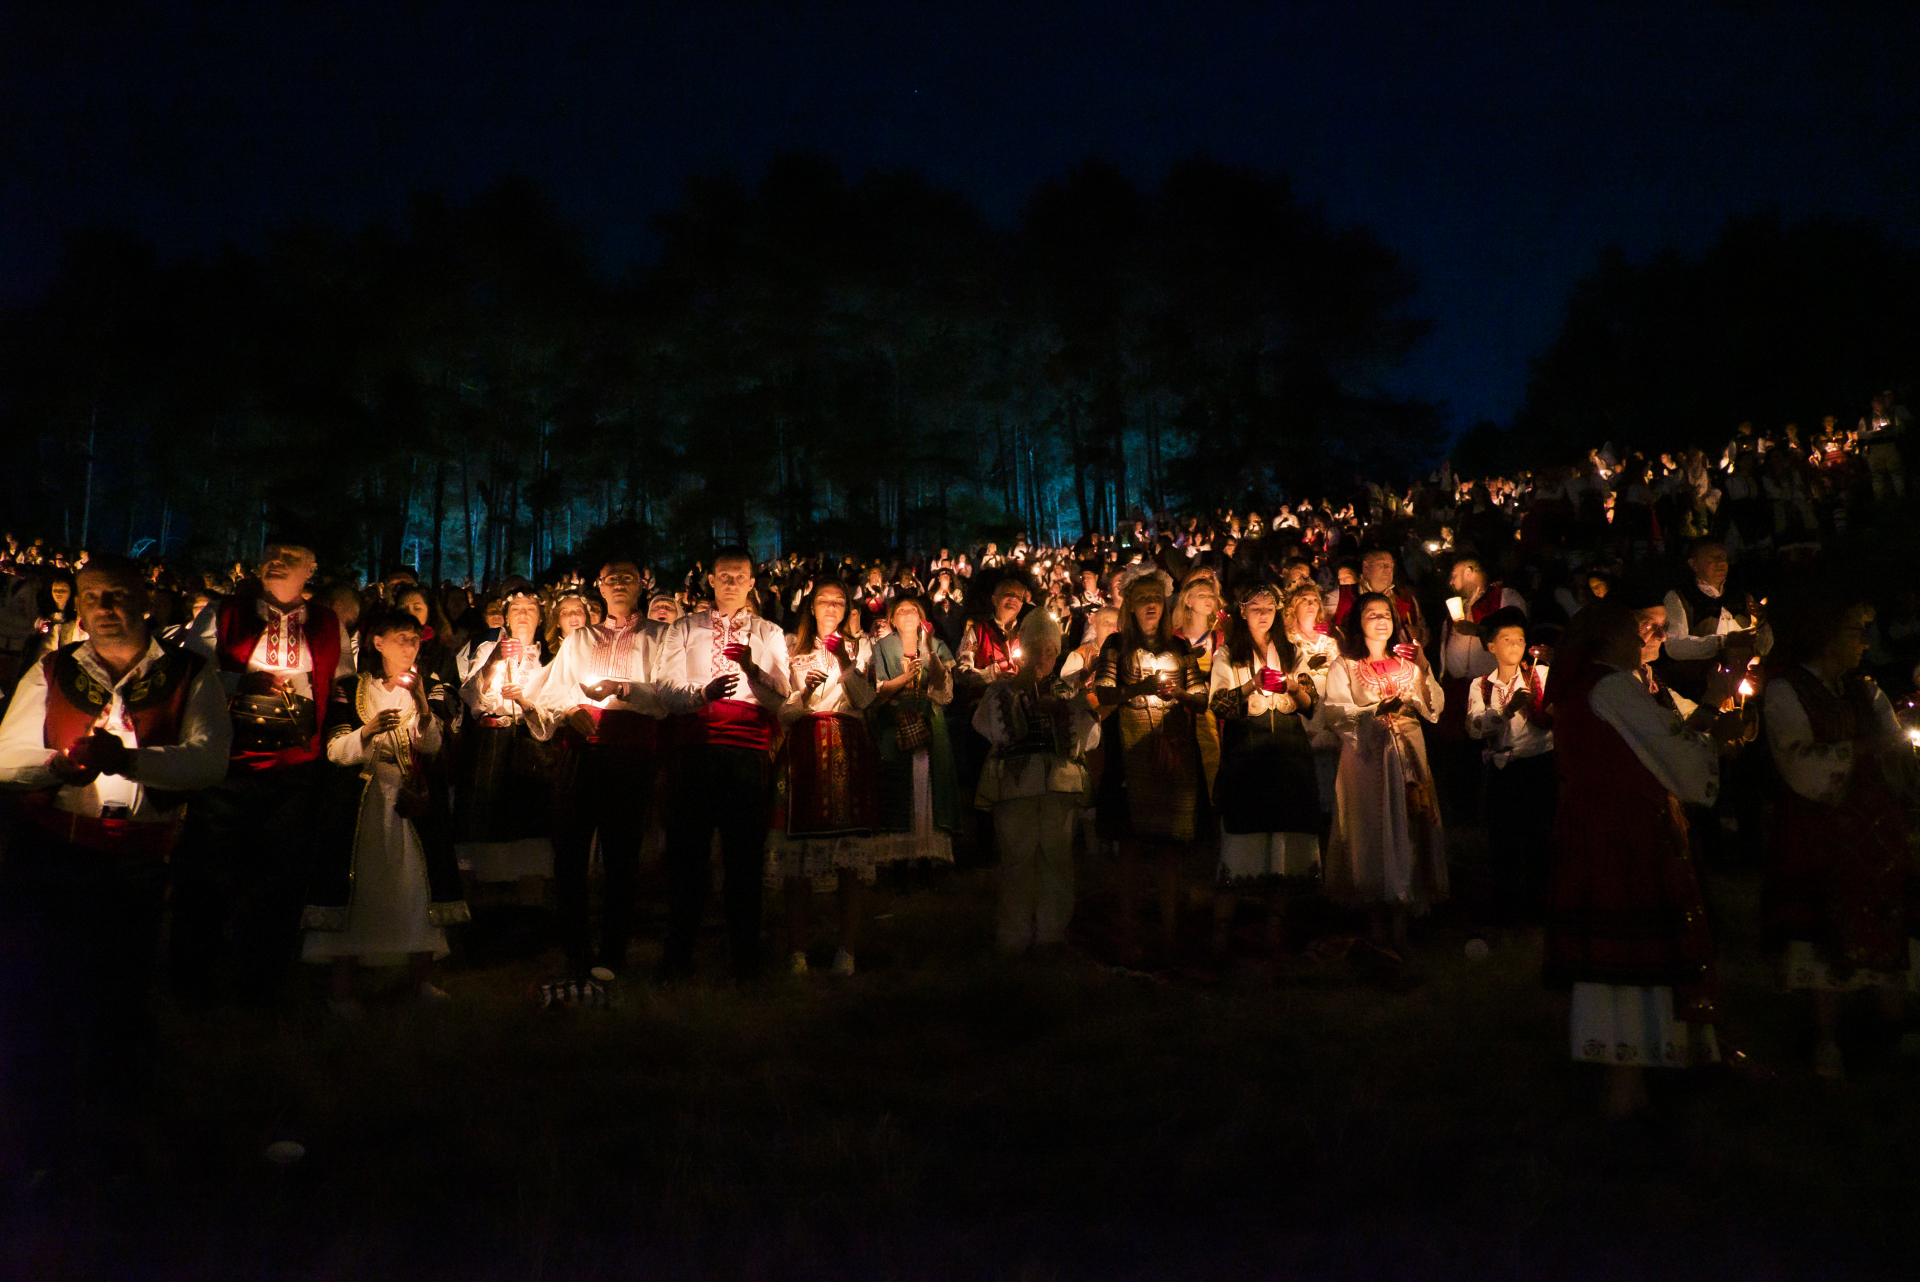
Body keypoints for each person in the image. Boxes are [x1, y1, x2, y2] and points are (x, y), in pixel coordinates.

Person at [0, 555, 229, 1176]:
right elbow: (6, 755)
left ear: (146, 601)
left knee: (122, 998)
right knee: (49, 992)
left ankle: (115, 1139)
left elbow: (208, 761)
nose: (102, 609)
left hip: (136, 863)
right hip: (56, 854)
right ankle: (42, 1135)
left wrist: (128, 763)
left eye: (116, 596)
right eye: (90, 596)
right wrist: (60, 767)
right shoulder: (55, 670)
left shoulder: (189, 674)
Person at [1542, 601, 1748, 1119]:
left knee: (1616, 950)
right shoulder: (1611, 685)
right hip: (1625, 826)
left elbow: (1655, 739)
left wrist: (1710, 713)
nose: (1642, 640)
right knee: (1632, 947)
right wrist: (1711, 733)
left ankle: (1632, 1072)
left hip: (1598, 822)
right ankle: (1627, 1083)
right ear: (1608, 638)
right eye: (1633, 631)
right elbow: (1668, 747)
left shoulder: (1592, 684)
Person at [175, 540, 353, 1002]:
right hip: (228, 766)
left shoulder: (329, 624)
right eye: (271, 555)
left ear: (311, 569)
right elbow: (189, 673)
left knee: (280, 878)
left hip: (297, 771)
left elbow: (340, 684)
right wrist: (239, 682)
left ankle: (263, 979)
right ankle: (193, 978)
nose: (277, 563)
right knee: (210, 872)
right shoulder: (223, 613)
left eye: (291, 559)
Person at [1762, 595, 1918, 1079]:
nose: (1864, 644)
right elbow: (1799, 762)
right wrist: (1862, 751)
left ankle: (1891, 1029)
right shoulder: (1786, 692)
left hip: (1873, 835)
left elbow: (1894, 748)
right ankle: (1824, 1039)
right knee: (1820, 934)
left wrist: (1903, 758)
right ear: (1827, 636)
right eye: (1856, 633)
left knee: (1884, 921)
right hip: (1818, 832)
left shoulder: (1863, 691)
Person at [303, 606, 469, 1014]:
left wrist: (423, 709)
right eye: (401, 639)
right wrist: (367, 731)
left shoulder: (426, 686)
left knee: (415, 886)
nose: (410, 647)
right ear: (378, 643)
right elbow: (336, 751)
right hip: (364, 804)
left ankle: (421, 979)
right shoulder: (351, 688)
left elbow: (430, 747)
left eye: (415, 640)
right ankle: (342, 989)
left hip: (411, 802)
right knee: (359, 886)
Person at [651, 547, 792, 980]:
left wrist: (751, 670)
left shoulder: (768, 633)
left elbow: (781, 694)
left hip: (747, 752)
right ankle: (679, 956)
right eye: (723, 575)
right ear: (710, 580)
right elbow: (663, 688)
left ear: (753, 583)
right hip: (695, 749)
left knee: (744, 859)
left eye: (740, 576)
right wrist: (702, 695)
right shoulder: (684, 627)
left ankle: (745, 958)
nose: (731, 582)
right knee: (687, 858)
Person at [521, 559, 667, 976]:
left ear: (642, 584)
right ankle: (575, 948)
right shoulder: (580, 637)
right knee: (570, 849)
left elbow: (665, 696)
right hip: (581, 748)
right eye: (611, 579)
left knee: (622, 852)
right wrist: (568, 709)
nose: (619, 585)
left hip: (631, 748)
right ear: (598, 588)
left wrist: (624, 689)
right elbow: (552, 691)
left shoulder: (660, 636)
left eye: (628, 577)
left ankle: (614, 952)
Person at [1323, 591, 1447, 958]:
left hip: (1408, 751)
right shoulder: (1343, 666)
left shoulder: (1408, 665)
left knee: (1408, 825)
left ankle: (1402, 921)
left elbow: (1433, 706)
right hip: (1367, 756)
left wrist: (1423, 667)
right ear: (1358, 624)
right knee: (1370, 829)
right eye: (1371, 614)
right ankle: (1375, 920)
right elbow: (1334, 712)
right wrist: (1377, 709)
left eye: (1386, 615)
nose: (1380, 620)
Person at [1095, 572, 1208, 962]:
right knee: (1129, 846)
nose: (1149, 605)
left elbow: (1201, 696)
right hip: (1130, 754)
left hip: (1173, 752)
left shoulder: (1179, 646)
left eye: (1155, 598)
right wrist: (1138, 690)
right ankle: (1129, 932)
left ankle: (1169, 932)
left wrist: (1179, 693)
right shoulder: (1116, 645)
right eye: (1141, 598)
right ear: (1130, 606)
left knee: (1170, 848)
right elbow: (1103, 691)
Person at [1207, 584, 1323, 959]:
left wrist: (1293, 686)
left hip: (1288, 752)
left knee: (1284, 841)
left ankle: (1274, 928)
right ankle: (1222, 933)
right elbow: (1220, 704)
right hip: (1248, 753)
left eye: (1270, 607)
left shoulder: (1291, 651)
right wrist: (1250, 685)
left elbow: (1310, 704)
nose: (1263, 614)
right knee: (1242, 837)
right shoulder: (1229, 654)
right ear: (1242, 611)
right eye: (1256, 607)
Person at [974, 606, 1099, 953]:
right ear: (1023, 650)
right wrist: (1016, 692)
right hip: (1015, 786)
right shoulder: (999, 691)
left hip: (1060, 786)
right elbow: (991, 729)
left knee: (1057, 857)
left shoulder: (1067, 691)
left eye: (1049, 650)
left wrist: (1073, 709)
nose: (1042, 657)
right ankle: (1014, 935)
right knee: (1017, 858)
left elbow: (1088, 738)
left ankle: (1051, 932)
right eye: (1035, 649)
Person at [770, 581, 880, 977]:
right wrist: (803, 693)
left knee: (849, 853)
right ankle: (797, 949)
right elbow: (782, 713)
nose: (831, 607)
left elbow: (867, 700)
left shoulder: (861, 646)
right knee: (797, 858)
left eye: (838, 601)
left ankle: (845, 951)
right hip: (803, 749)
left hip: (847, 748)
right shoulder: (790, 648)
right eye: (824, 601)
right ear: (811, 608)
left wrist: (844, 663)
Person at [456, 585, 555, 907]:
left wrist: (525, 702)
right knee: (480, 823)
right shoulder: (486, 648)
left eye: (531, 609)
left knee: (528, 824)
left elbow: (552, 707)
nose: (523, 615)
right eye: (516, 610)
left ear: (541, 618)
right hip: (489, 742)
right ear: (506, 618)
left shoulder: (549, 656)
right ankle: (474, 909)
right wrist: (493, 662)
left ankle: (529, 912)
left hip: (527, 743)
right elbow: (470, 696)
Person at [1464, 607, 1556, 926]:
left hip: (1536, 766)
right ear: (1492, 646)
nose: (1515, 645)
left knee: (1538, 840)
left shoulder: (1539, 675)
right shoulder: (1482, 686)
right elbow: (1476, 728)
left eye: (1520, 638)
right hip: (1501, 770)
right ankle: (1507, 910)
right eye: (1507, 639)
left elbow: (1555, 716)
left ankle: (1538, 909)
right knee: (1502, 843)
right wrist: (1505, 711)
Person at [866, 596, 961, 881]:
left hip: (928, 719)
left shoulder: (937, 646)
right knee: (897, 783)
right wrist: (906, 678)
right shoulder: (883, 647)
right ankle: (897, 857)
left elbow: (942, 684)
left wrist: (930, 648)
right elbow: (879, 691)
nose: (908, 614)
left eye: (914, 611)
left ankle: (926, 854)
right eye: (902, 611)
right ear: (892, 620)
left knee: (927, 782)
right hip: (894, 719)